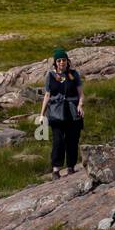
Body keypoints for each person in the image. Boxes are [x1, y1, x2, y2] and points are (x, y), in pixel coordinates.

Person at [39, 48, 84, 178]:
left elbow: (81, 94)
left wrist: (80, 105)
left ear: (67, 61)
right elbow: (47, 95)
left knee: (72, 140)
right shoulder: (50, 76)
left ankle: (71, 167)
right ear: (55, 63)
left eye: (64, 60)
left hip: (72, 111)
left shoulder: (74, 74)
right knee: (58, 141)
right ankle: (56, 169)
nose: (61, 62)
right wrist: (42, 114)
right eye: (59, 60)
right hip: (56, 112)